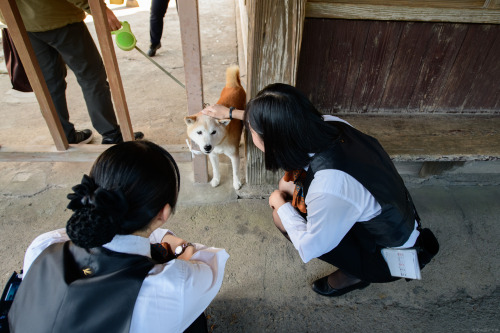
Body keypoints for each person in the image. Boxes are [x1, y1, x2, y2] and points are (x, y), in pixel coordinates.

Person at [202, 83, 439, 297]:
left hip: (387, 257)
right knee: (287, 186)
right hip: (394, 217)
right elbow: (279, 123)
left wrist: (280, 204)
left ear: (272, 141)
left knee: (281, 213)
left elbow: (310, 245)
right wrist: (231, 113)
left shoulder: (329, 186)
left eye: (251, 131)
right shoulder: (330, 123)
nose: (249, 134)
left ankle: (356, 274)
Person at [8, 140, 229, 332]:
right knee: (192, 316)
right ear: (164, 213)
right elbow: (212, 261)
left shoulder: (44, 246)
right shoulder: (172, 286)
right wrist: (182, 252)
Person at [0, 0, 143, 144]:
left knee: (48, 84)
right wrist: (97, 9)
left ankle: (63, 136)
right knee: (91, 77)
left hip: (20, 22)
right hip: (58, 18)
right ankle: (111, 134)